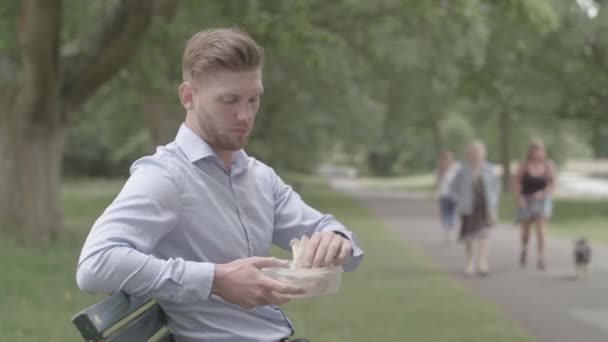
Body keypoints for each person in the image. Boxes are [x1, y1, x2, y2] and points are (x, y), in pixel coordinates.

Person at [76, 27, 364, 342]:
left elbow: (321, 226)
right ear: (188, 97)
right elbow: (95, 264)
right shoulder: (164, 177)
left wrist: (337, 239)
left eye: (253, 99)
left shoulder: (258, 176)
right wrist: (215, 279)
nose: (245, 115)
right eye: (229, 100)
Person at [450, 140, 500, 276]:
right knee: (469, 236)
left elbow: (495, 189)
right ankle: (469, 262)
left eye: (478, 152)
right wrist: (458, 200)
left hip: (485, 206)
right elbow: (453, 188)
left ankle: (482, 263)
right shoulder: (462, 170)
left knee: (484, 235)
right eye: (472, 152)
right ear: (468, 154)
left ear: (483, 154)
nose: (475, 155)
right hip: (468, 207)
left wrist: (493, 208)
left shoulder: (489, 169)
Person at [512, 139, 556, 270]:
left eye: (539, 149)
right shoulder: (524, 165)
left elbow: (553, 184)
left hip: (542, 201)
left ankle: (541, 257)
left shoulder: (548, 165)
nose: (537, 152)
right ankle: (524, 249)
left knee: (541, 231)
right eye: (534, 149)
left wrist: (543, 194)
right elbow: (516, 183)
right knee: (526, 232)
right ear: (530, 151)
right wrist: (519, 198)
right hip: (526, 200)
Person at [435, 151, 460, 242]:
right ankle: (448, 233)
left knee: (451, 214)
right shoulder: (440, 170)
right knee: (446, 215)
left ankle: (450, 231)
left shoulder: (455, 168)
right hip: (444, 196)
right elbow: (438, 184)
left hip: (453, 195)